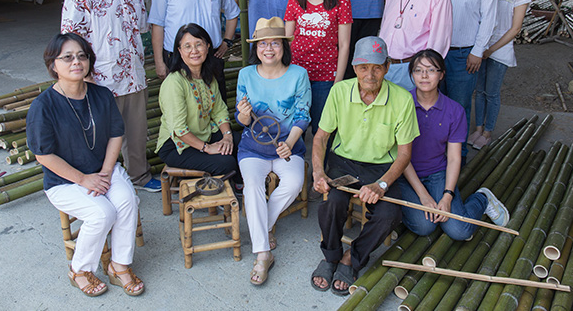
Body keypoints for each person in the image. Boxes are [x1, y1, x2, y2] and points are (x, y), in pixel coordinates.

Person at [26, 33, 144, 297]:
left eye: (82, 56)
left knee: (126, 200)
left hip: (103, 170)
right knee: (103, 214)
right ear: (53, 65)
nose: (76, 62)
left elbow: (116, 133)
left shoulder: (101, 95)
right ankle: (79, 270)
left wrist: (105, 171)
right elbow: (44, 155)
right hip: (64, 181)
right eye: (67, 57)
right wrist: (83, 179)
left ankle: (119, 266)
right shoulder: (43, 106)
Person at [310, 36, 420, 295]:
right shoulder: (340, 91)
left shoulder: (402, 99)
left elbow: (404, 154)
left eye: (377, 67)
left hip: (381, 167)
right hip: (344, 162)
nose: (369, 74)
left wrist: (382, 184)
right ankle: (331, 255)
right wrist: (318, 171)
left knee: (389, 215)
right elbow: (321, 137)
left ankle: (353, 257)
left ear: (388, 66)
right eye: (363, 67)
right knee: (332, 204)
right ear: (354, 68)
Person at [61, 0, 159, 192]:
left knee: (136, 133)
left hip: (133, 77)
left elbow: (140, 32)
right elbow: (71, 41)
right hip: (99, 80)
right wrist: (84, 77)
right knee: (100, 136)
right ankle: (101, 180)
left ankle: (139, 176)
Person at [398, 49, 510, 241]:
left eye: (431, 70)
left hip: (437, 174)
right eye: (418, 70)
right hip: (406, 175)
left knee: (460, 231)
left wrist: (447, 196)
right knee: (424, 226)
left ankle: (482, 199)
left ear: (442, 74)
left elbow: (454, 157)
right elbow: (401, 156)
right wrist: (424, 196)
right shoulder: (400, 105)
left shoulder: (454, 110)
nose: (424, 76)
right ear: (412, 74)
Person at [235, 17, 311, 286]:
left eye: (275, 44)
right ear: (256, 47)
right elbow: (241, 119)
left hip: (287, 146)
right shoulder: (246, 75)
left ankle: (261, 227)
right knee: (252, 185)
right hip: (253, 148)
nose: (269, 49)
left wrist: (289, 143)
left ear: (284, 47)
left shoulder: (298, 74)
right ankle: (262, 253)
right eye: (263, 44)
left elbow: (302, 115)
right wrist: (243, 115)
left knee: (294, 182)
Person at [431, 0, 497, 160]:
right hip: (436, 53)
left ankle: (458, 158)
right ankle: (434, 154)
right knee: (432, 104)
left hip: (464, 55)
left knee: (458, 108)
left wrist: (477, 52)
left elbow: (489, 19)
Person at [155, 23, 240, 184]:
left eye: (198, 44)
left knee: (240, 142)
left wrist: (227, 136)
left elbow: (219, 111)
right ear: (179, 51)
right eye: (187, 46)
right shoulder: (174, 82)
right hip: (176, 145)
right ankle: (221, 192)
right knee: (226, 162)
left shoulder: (208, 77)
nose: (194, 51)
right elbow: (179, 129)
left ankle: (239, 186)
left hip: (204, 134)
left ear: (208, 47)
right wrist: (207, 148)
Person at [284, 0, 352, 134]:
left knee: (323, 130)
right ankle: (297, 164)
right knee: (295, 127)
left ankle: (320, 164)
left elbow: (344, 45)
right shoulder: (295, 0)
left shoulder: (341, 1)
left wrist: (338, 81)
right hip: (297, 74)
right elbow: (287, 40)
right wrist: (284, 73)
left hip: (326, 77)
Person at [469, 0, 531, 149]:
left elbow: (515, 29)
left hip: (500, 51)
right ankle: (477, 129)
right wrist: (481, 48)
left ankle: (488, 132)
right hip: (481, 47)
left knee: (492, 93)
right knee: (479, 92)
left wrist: (491, 49)